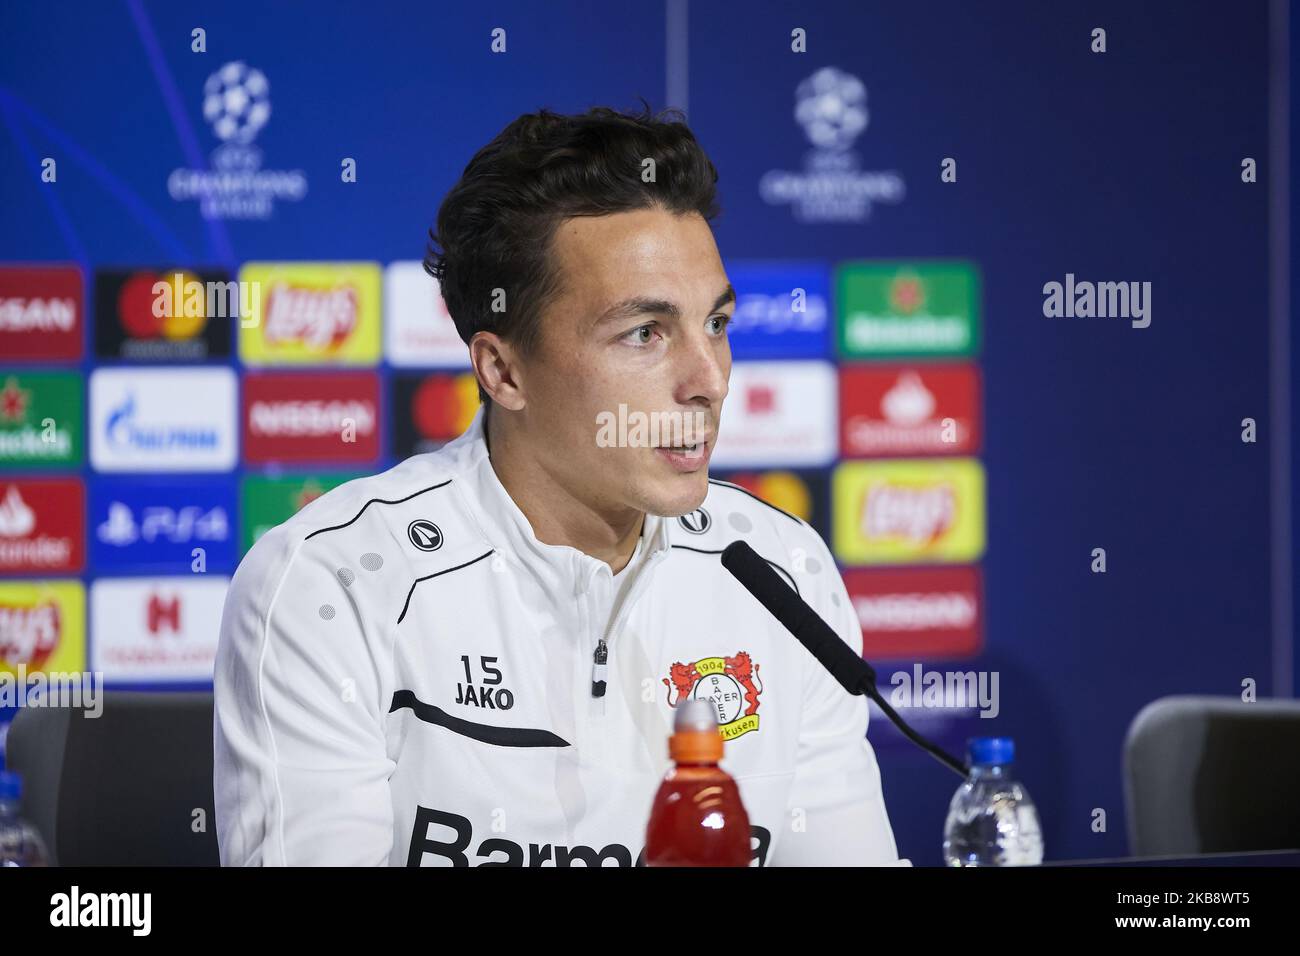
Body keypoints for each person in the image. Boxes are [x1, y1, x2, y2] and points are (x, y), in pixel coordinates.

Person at [213, 103, 903, 866]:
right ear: (503, 370)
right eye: (646, 333)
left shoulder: (785, 573)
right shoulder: (331, 584)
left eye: (716, 323)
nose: (708, 380)